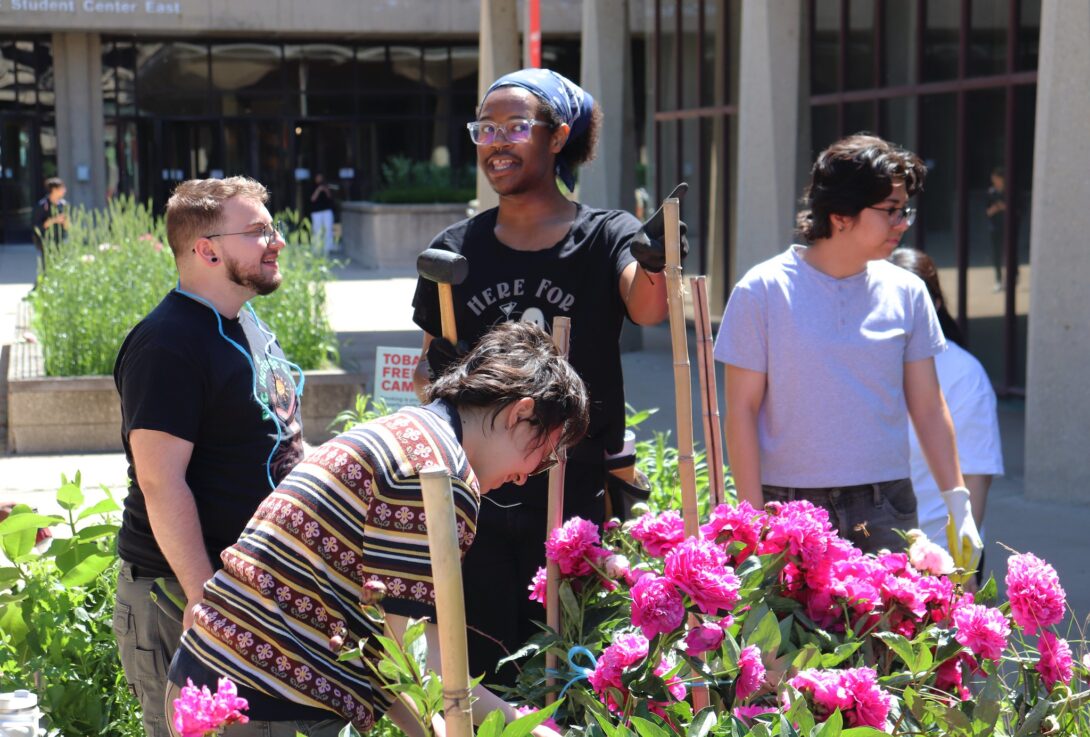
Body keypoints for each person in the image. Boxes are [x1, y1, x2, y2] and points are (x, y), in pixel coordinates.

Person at [166, 321, 589, 736]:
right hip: (267, 700)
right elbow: (428, 664)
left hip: (210, 679)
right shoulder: (441, 477)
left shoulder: (408, 431)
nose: (525, 476)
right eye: (545, 456)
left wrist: (429, 727)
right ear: (521, 413)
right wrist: (527, 729)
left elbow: (384, 647)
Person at [410, 68, 674, 685]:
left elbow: (649, 307)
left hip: (572, 491)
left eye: (516, 127)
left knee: (568, 666)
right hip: (473, 495)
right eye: (486, 128)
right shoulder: (455, 248)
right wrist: (442, 375)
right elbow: (425, 374)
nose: (496, 141)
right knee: (477, 672)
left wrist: (658, 260)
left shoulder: (606, 236)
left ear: (557, 138)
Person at [715, 133, 983, 567]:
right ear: (840, 215)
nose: (903, 223)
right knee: (792, 638)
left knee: (886, 637)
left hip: (886, 506)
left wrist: (959, 503)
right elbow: (741, 411)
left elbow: (929, 406)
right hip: (787, 507)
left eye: (905, 210)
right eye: (891, 211)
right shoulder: (761, 290)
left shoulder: (908, 292)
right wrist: (751, 520)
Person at [113, 176, 305, 736]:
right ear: (207, 249)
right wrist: (204, 595)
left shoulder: (245, 323)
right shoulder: (167, 345)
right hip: (184, 595)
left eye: (273, 226)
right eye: (259, 230)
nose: (277, 241)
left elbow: (282, 439)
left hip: (252, 591)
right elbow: (161, 482)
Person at [890, 247, 1003, 560]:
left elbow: (976, 476)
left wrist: (964, 567)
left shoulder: (964, 373)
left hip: (937, 557)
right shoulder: (861, 359)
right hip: (870, 551)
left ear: (935, 304)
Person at [31, 177, 68, 272]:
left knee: (60, 265)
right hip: (45, 240)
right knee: (47, 266)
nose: (64, 190)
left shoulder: (63, 205)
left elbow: (67, 226)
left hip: (60, 240)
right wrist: (54, 220)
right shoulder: (42, 205)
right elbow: (37, 226)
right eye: (62, 188)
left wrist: (65, 222)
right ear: (54, 189)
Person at [985, 168, 1007, 292]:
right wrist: (996, 208)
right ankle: (998, 279)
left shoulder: (1008, 191)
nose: (994, 181)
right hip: (995, 227)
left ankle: (1011, 278)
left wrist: (1004, 206)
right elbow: (987, 211)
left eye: (996, 178)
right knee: (996, 254)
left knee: (1008, 254)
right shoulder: (991, 192)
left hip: (1007, 227)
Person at [309, 173, 336, 256]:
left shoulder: (326, 186)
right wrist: (318, 190)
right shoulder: (312, 187)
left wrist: (325, 189)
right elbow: (312, 199)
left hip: (327, 210)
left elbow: (330, 197)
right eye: (318, 177)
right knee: (317, 230)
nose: (319, 179)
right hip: (316, 211)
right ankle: (317, 248)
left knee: (328, 229)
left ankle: (328, 248)